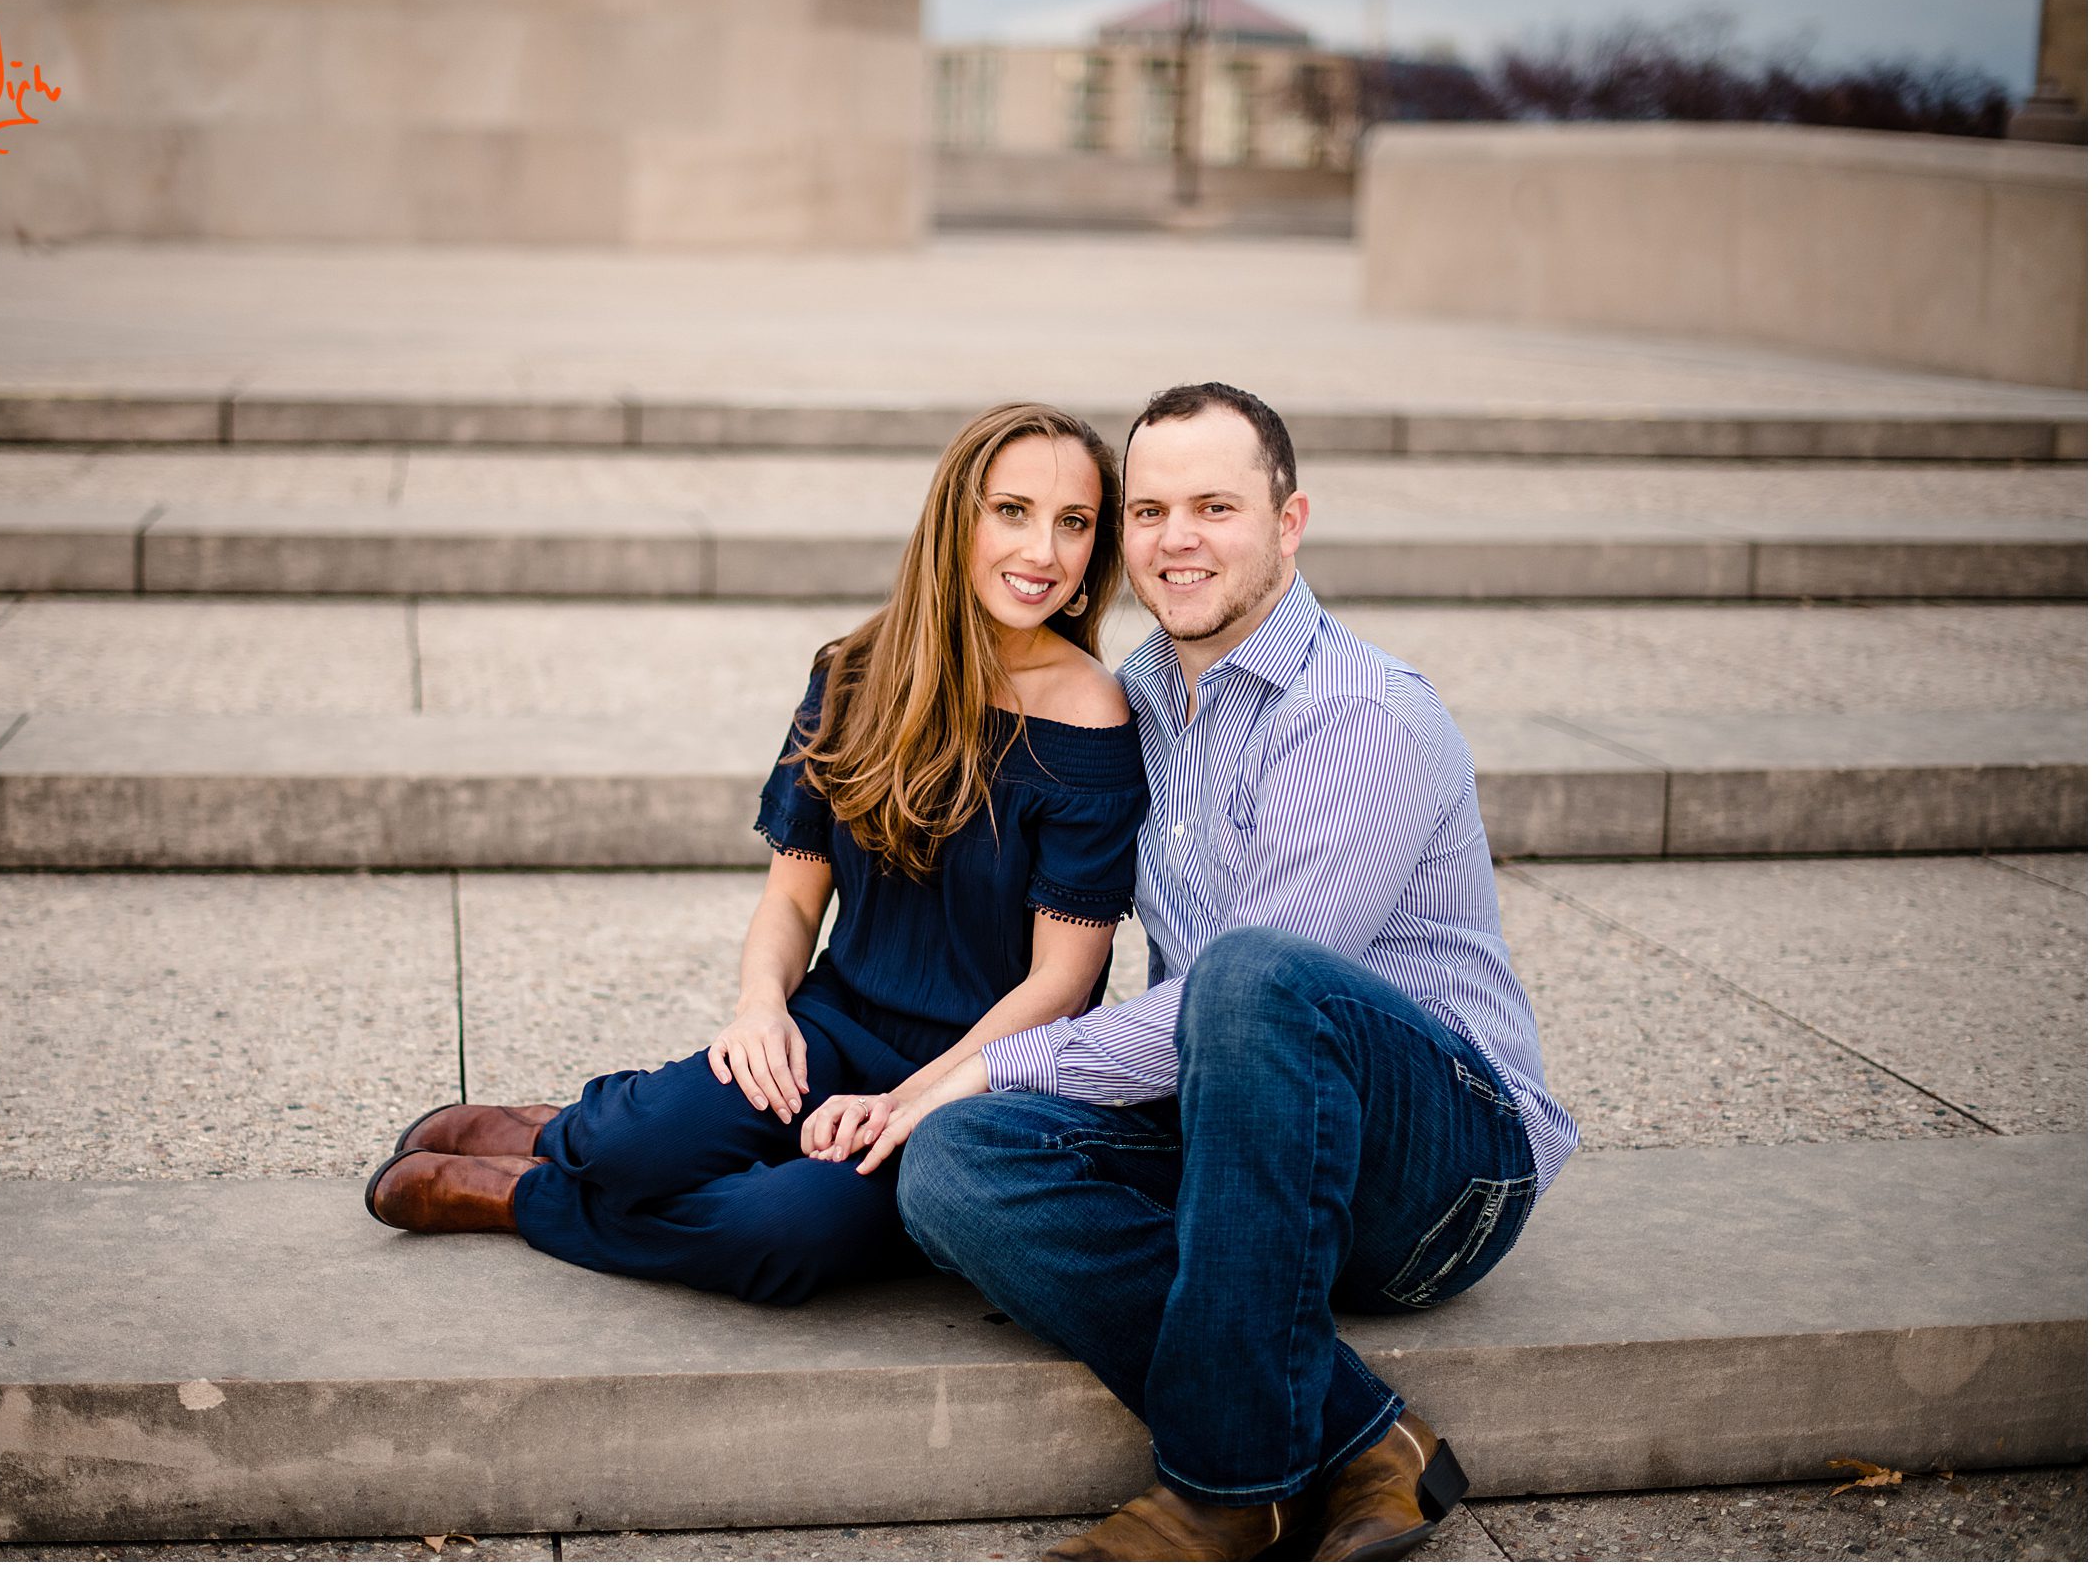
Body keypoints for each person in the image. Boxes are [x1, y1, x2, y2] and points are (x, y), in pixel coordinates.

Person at [818, 383, 1578, 1560]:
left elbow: (1243, 993)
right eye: (1152, 510)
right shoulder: (1142, 703)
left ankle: (1229, 1486)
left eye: (1216, 505)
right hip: (1250, 1140)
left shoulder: (1362, 713)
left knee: (1251, 973)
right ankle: (1369, 1436)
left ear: (1289, 520)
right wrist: (946, 1084)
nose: (1178, 539)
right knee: (956, 1161)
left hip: (1440, 1174)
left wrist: (993, 1060)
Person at [363, 402, 1149, 1309]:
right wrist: (760, 1007)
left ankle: (519, 1192)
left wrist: (904, 1103)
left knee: (777, 1234)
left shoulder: (1092, 719)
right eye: (1012, 510)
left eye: (1074, 522)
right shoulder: (858, 673)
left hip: (979, 1081)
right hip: (834, 1024)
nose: (1042, 551)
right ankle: (564, 1134)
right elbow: (792, 898)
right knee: (635, 1147)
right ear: (956, 520)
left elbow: (1059, 984)